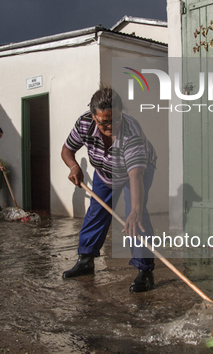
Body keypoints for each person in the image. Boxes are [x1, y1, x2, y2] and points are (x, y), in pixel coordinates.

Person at [61, 85, 157, 293]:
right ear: (93, 116)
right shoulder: (84, 123)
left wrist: (135, 210)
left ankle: (145, 271)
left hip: (138, 170)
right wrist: (73, 166)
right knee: (97, 211)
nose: (111, 126)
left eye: (115, 119)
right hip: (105, 172)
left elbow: (136, 175)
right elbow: (67, 149)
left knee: (135, 217)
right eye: (104, 122)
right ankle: (85, 261)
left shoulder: (131, 132)